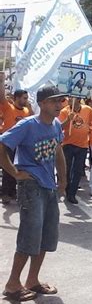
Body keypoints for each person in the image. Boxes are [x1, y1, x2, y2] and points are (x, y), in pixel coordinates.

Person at [0, 85, 67, 302]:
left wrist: (63, 179)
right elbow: (2, 146)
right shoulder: (28, 125)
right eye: (54, 101)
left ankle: (32, 280)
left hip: (49, 187)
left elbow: (58, 151)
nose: (59, 104)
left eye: (60, 100)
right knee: (29, 235)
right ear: (42, 103)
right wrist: (14, 172)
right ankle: (12, 285)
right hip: (31, 186)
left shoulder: (56, 124)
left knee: (46, 236)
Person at [0, 72, 32, 205]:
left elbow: (33, 121)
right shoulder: (8, 107)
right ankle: (5, 193)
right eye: (24, 98)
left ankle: (12, 191)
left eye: (27, 98)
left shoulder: (25, 111)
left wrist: (30, 109)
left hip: (20, 145)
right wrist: (1, 81)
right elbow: (1, 96)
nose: (26, 100)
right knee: (8, 169)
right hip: (7, 144)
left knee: (16, 168)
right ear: (16, 98)